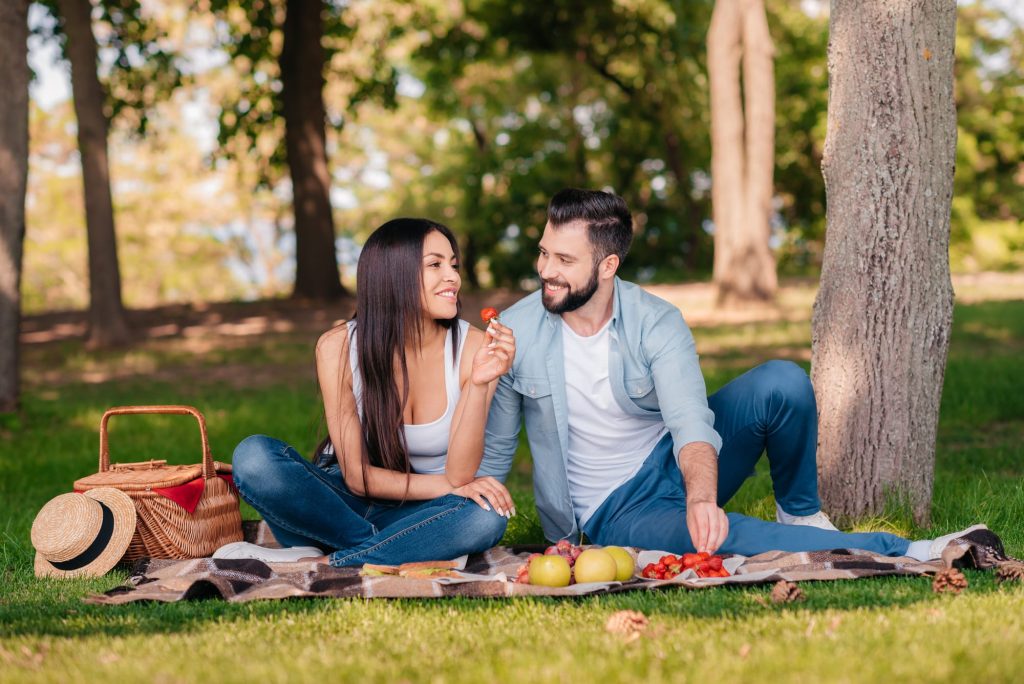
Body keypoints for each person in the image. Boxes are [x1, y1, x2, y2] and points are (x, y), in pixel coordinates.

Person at [482, 188, 982, 560]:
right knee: (723, 536)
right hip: (615, 510)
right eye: (545, 251)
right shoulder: (516, 331)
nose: (546, 268)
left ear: (608, 264)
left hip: (672, 462)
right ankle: (910, 550)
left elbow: (691, 422)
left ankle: (801, 512)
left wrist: (700, 497)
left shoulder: (655, 320)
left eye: (564, 259)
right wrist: (474, 532)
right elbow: (498, 453)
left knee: (782, 382)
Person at [217, 218, 517, 566]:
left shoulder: (476, 348)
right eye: (435, 264)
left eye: (453, 264)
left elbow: (461, 476)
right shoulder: (337, 347)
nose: (453, 277)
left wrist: (480, 383)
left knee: (488, 516)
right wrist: (449, 488)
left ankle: (328, 559)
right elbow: (358, 479)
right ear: (393, 275)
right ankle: (394, 549)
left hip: (420, 509)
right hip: (339, 503)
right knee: (253, 456)